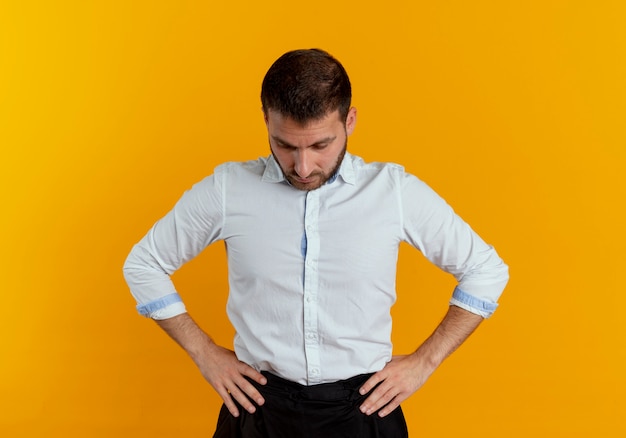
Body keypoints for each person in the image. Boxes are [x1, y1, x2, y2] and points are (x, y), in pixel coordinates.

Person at [123, 48, 509, 437]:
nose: (303, 168)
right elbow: (144, 264)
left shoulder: (393, 192)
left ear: (350, 121)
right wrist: (204, 352)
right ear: (266, 120)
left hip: (364, 411)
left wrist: (425, 361)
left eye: (320, 146)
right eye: (286, 146)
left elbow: (485, 271)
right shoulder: (228, 190)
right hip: (258, 410)